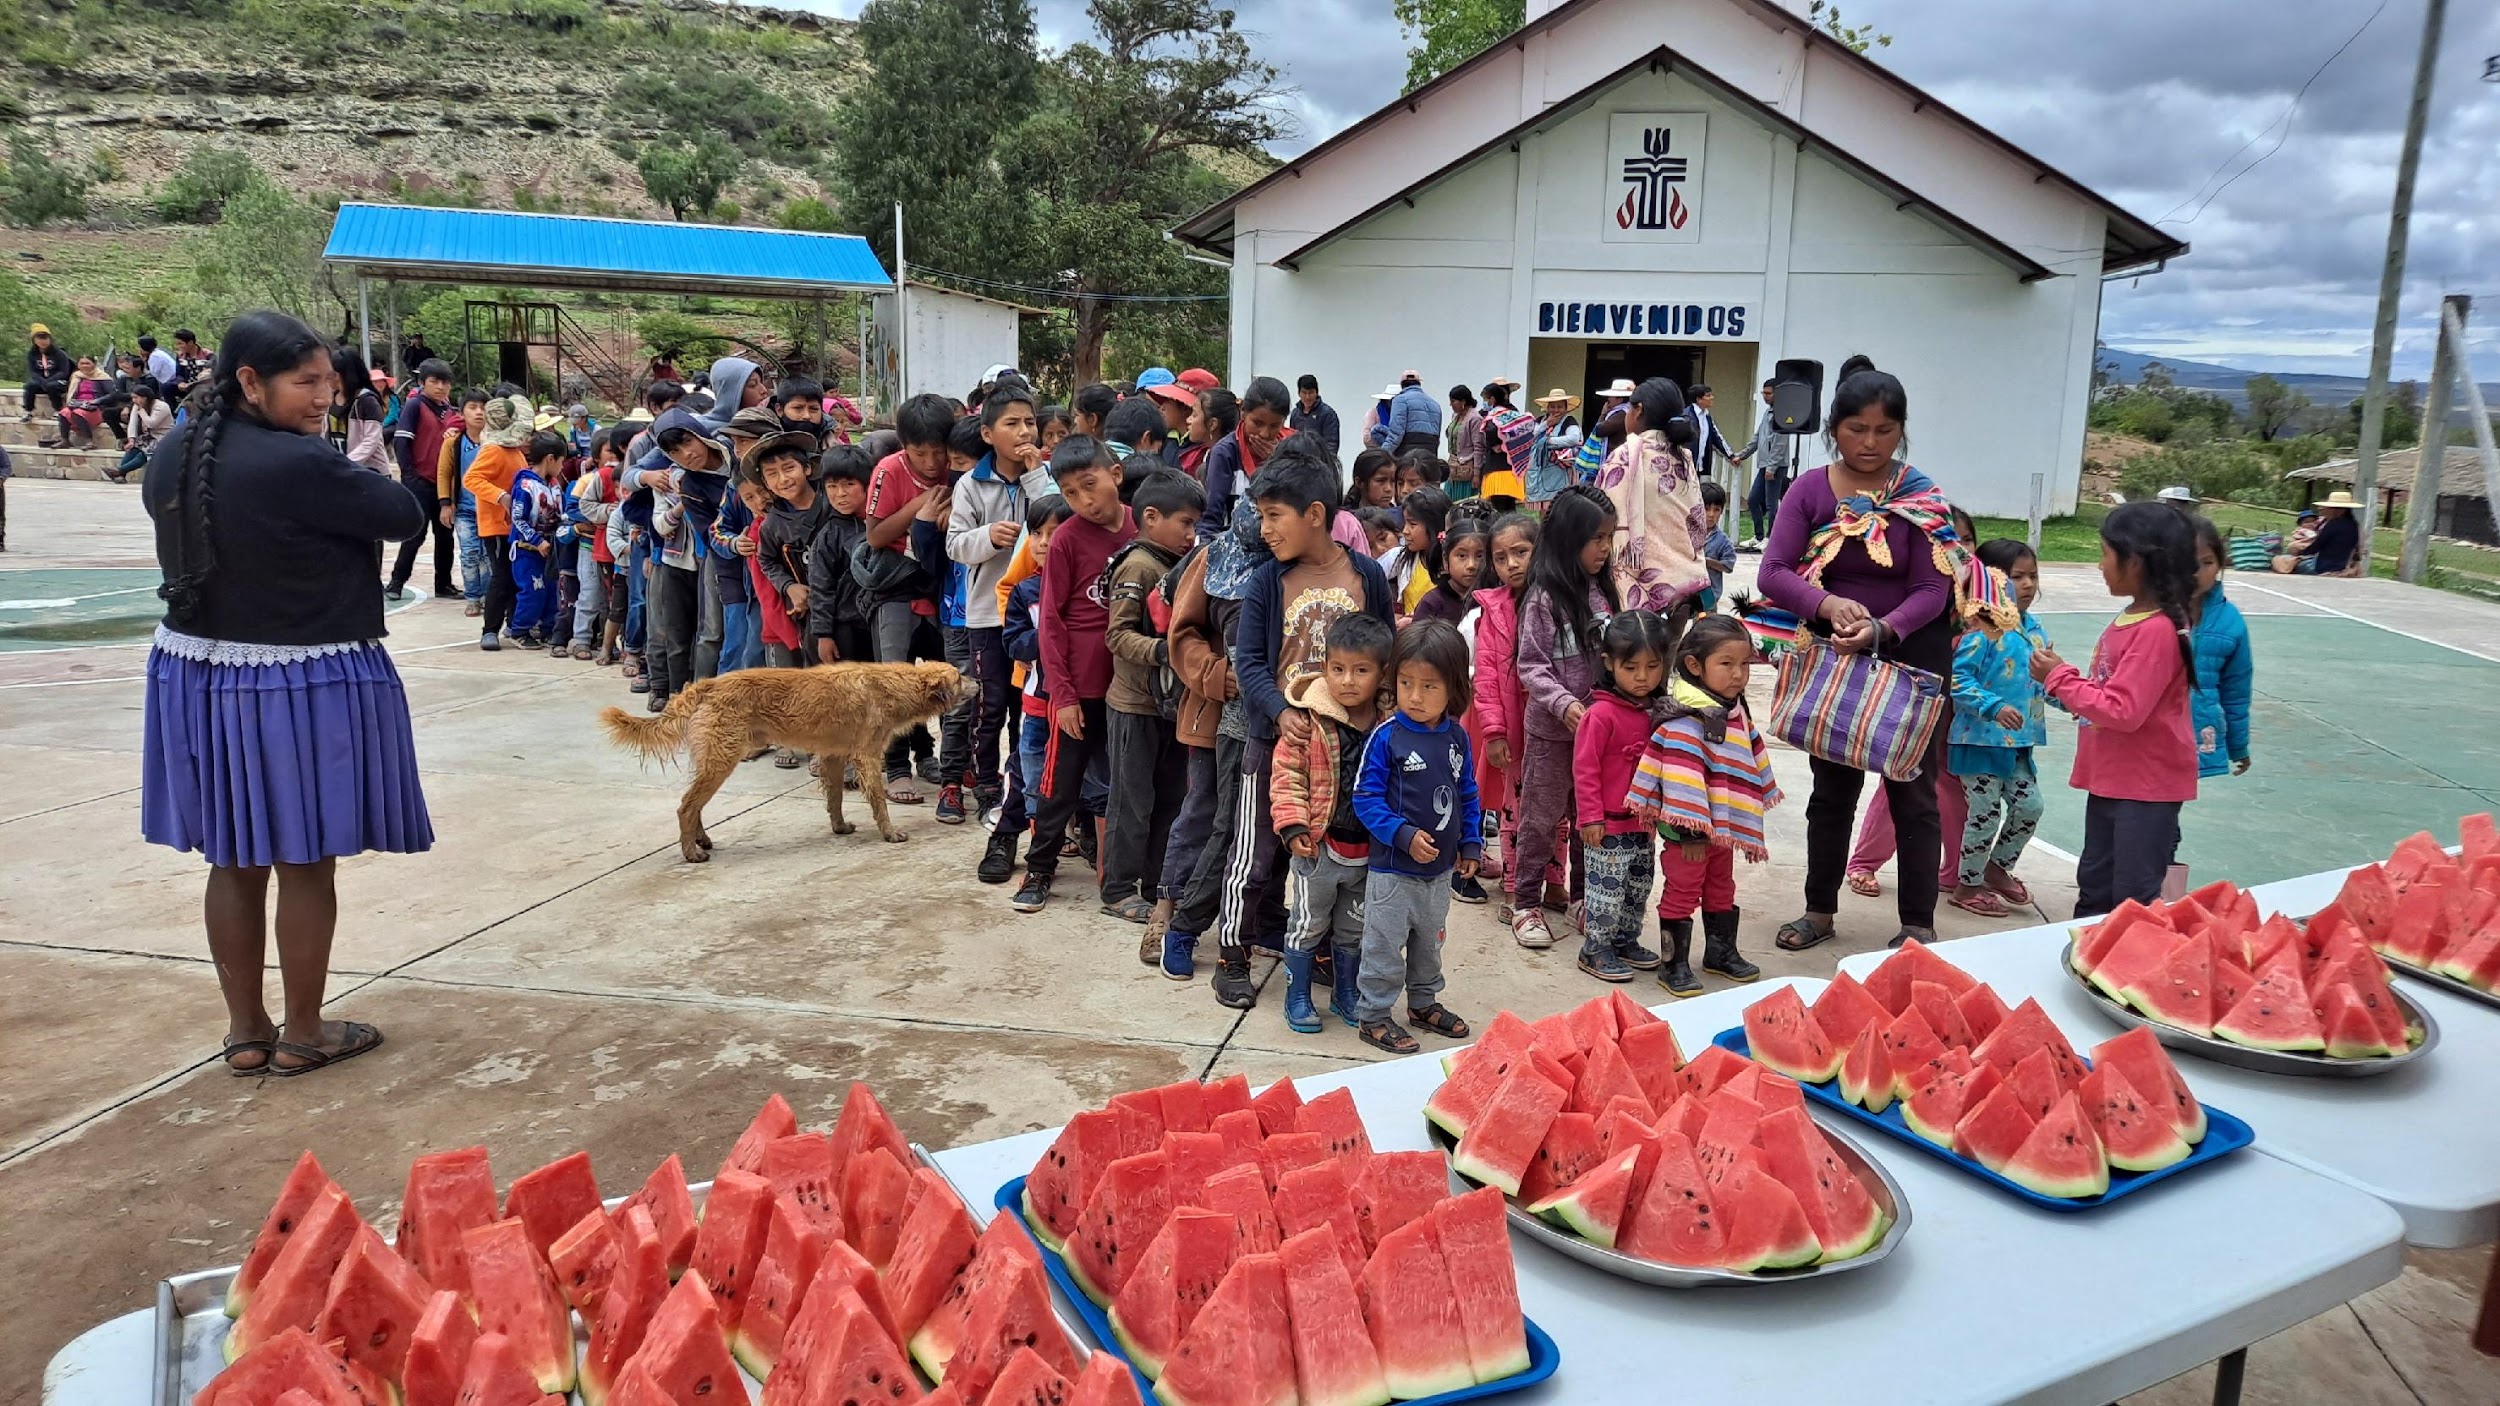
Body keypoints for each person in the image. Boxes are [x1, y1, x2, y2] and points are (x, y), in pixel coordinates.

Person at [141, 309, 429, 1076]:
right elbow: (403, 514)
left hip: (197, 675)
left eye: (330, 383)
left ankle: (246, 1032)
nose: (323, 398)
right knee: (304, 861)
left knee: (233, 859)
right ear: (250, 381)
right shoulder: (298, 463)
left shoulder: (174, 454)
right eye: (306, 382)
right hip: (295, 679)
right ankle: (306, 1032)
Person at [1759, 368, 2013, 952]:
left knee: (1913, 794)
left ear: (1901, 430)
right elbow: (1773, 571)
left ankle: (1917, 925)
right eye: (1856, 429)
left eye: (1884, 429)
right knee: (1832, 793)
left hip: (1912, 655)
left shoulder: (1920, 496)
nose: (1870, 442)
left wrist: (1881, 628)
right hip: (1834, 655)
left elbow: (1932, 589)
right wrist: (1826, 605)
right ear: (1833, 429)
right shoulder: (1810, 490)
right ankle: (1819, 911)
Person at [1207, 440, 1398, 1008]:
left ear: (1315, 514)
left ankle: (1322, 951)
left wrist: (1385, 712)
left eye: (1274, 516)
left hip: (1348, 750)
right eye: (1261, 516)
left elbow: (1385, 648)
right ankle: (1232, 954)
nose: (1264, 529)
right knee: (1254, 854)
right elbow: (1248, 661)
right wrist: (1280, 711)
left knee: (1334, 858)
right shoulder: (1268, 580)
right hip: (1277, 743)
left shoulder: (1367, 575)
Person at [2032, 502, 2201, 917]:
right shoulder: (2131, 618)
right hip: (2114, 778)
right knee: (2095, 883)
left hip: (2145, 786)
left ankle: (2126, 956)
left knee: (2132, 896)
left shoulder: (2157, 630)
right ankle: (2087, 951)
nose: (2100, 564)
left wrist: (2060, 678)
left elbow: (2124, 710)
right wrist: (2073, 688)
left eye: (2105, 553)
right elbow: (2111, 691)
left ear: (2136, 560)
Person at [1012, 435, 1136, 914]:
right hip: (1077, 692)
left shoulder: (1140, 529)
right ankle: (1039, 869)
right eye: (1070, 493)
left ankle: (1120, 875)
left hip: (1130, 689)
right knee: (1059, 785)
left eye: (1090, 485)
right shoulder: (1066, 539)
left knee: (1123, 784)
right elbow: (1050, 623)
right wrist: (1061, 696)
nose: (1084, 500)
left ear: (1115, 475)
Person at [1627, 614, 1782, 995]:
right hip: (1688, 831)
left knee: (1721, 885)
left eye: (1745, 664)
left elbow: (1741, 761)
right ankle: (1673, 963)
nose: (1738, 674)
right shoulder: (1686, 718)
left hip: (1720, 826)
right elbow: (1680, 782)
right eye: (1726, 664)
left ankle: (1720, 952)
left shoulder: (1730, 711)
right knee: (1683, 889)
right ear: (1695, 666)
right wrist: (1690, 831)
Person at [1350, 617, 1481, 1053]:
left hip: (1439, 873)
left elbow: (1467, 792)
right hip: (1393, 872)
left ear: (1453, 687)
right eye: (1406, 683)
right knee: (1384, 947)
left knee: (1430, 944)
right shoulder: (1386, 737)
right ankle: (1373, 1015)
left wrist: (1470, 843)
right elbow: (1365, 798)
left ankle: (1423, 1003)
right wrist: (1402, 835)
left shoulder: (1457, 738)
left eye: (1429, 686)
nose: (1415, 696)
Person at [1510, 485, 1620, 948]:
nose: (1605, 548)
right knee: (1540, 820)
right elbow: (1531, 665)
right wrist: (1564, 704)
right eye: (1596, 538)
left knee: (1589, 819)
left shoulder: (1604, 593)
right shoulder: (1542, 598)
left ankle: (1582, 898)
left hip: (1598, 735)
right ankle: (1525, 903)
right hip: (1553, 735)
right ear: (1568, 539)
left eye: (1610, 537)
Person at [1270, 612, 1391, 1031]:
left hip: (1369, 850)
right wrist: (1293, 826)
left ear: (1382, 673)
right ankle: (1297, 995)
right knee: (1307, 923)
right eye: (1338, 669)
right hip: (1319, 847)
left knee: (1354, 928)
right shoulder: (1308, 721)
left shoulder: (1390, 725)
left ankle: (1345, 993)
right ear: (1324, 668)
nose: (1348, 681)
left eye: (1361, 671)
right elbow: (1287, 775)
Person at [1102, 470, 1206, 922]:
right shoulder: (1139, 566)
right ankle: (1118, 889)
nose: (1191, 534)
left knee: (1169, 799)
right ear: (1149, 517)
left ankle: (1153, 883)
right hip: (1134, 706)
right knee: (1131, 801)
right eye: (1184, 522)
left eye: (1194, 524)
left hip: (1168, 707)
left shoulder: (1175, 564)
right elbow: (1118, 636)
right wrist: (1168, 651)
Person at [946, 384, 1046, 819]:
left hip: (1034, 614)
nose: (1024, 432)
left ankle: (1022, 783)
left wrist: (1035, 475)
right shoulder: (971, 484)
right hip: (988, 613)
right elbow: (954, 544)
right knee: (989, 705)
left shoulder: (1043, 476)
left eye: (1029, 423)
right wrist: (987, 536)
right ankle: (986, 783)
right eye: (1012, 423)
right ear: (988, 434)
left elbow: (1055, 518)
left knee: (1029, 704)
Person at [1946, 540, 2053, 918]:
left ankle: (1996, 869)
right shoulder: (1982, 628)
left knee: (2031, 806)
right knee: (1985, 814)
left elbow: (2042, 680)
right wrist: (1993, 706)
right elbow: (1956, 679)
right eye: (2017, 576)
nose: (2028, 584)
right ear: (1991, 580)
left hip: (2018, 744)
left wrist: (2069, 697)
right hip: (1978, 742)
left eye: (2033, 576)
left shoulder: (2035, 630)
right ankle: (1967, 886)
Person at [861, 395, 957, 799]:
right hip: (897, 588)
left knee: (943, 677)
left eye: (939, 451)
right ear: (904, 446)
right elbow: (875, 535)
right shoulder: (889, 470)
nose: (932, 462)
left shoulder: (958, 466)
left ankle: (938, 758)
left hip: (940, 585)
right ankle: (897, 765)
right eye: (921, 453)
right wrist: (918, 507)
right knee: (895, 679)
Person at [1573, 610, 1674, 983]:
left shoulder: (1657, 712)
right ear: (1609, 663)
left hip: (1643, 824)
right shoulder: (1600, 715)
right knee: (1606, 891)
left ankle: (1625, 940)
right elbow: (1585, 770)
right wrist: (1590, 818)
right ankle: (1595, 948)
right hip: (1607, 826)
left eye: (1652, 666)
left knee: (1638, 886)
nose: (1642, 677)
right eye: (1631, 668)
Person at [979, 493, 1075, 885]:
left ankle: (1074, 839)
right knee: (1025, 772)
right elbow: (1013, 623)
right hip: (1037, 692)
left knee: (1080, 775)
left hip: (1079, 697)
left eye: (1054, 533)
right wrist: (1046, 638)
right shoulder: (1027, 585)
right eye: (1037, 533)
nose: (1044, 542)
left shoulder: (1090, 574)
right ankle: (1006, 837)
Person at [1595, 377, 1708, 620]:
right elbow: (1698, 521)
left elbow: (1600, 513)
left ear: (1638, 411)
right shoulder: (1684, 457)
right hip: (1685, 581)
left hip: (1640, 582)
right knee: (1671, 644)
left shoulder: (1624, 457)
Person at [1470, 513, 1537, 921]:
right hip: (1512, 728)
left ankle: (1554, 882)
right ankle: (1514, 886)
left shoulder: (1555, 601)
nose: (1511, 564)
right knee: (1513, 809)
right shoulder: (1492, 611)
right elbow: (1487, 677)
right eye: (1500, 558)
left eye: (1521, 552)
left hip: (1550, 724)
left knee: (1554, 810)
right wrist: (1494, 731)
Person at [2187, 515, 2255, 783]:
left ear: (2220, 565)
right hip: (2147, 738)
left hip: (2195, 735)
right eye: (2187, 561)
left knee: (2168, 805)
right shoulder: (2150, 612)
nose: (2197, 572)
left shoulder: (2230, 622)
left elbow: (2236, 692)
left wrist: (2238, 746)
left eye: (2207, 562)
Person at [462, 394, 533, 651]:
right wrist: (500, 496)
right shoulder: (493, 449)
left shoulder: (513, 451)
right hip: (497, 525)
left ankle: (513, 625)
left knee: (514, 577)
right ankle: (489, 629)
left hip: (513, 525)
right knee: (502, 577)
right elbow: (471, 479)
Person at [387, 358, 459, 601]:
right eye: (434, 381)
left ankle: (444, 584)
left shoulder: (449, 410)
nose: (440, 387)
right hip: (420, 481)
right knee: (415, 534)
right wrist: (409, 476)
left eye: (445, 382)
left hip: (444, 484)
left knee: (445, 535)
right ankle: (396, 582)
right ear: (423, 382)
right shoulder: (415, 405)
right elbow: (401, 441)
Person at [805, 445, 875, 666]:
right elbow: (820, 587)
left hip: (877, 622)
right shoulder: (829, 535)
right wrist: (823, 634)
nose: (840, 494)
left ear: (868, 484)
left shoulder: (883, 523)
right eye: (832, 486)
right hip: (843, 626)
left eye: (849, 484)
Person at [1199, 376, 1290, 543]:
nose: (1264, 433)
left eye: (1274, 426)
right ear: (1243, 412)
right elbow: (1211, 517)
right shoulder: (1224, 453)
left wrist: (1277, 463)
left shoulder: (1290, 452)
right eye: (1257, 423)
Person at [506, 431, 567, 648]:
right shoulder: (525, 486)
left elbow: (561, 513)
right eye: (561, 461)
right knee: (533, 591)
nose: (562, 466)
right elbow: (518, 519)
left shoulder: (555, 486)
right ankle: (520, 630)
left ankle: (548, 629)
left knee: (552, 592)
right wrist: (536, 541)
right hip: (527, 551)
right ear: (550, 459)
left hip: (551, 551)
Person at [1736, 378, 1793, 547]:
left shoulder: (1782, 414)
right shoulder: (1767, 413)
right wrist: (1742, 455)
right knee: (1753, 500)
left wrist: (1772, 467)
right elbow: (1757, 438)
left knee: (1771, 503)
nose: (1765, 396)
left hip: (1775, 466)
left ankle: (1771, 538)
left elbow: (1780, 444)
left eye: (1769, 393)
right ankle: (1759, 536)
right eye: (1764, 393)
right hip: (1764, 465)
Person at [1412, 516, 1488, 627]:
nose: (1471, 565)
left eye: (1480, 556)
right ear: (1445, 560)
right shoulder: (1432, 604)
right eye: (1462, 556)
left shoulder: (1497, 600)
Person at [1386, 487, 1449, 615]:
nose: (1405, 531)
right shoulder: (1400, 557)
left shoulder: (1451, 564)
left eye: (1412, 524)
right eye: (1405, 523)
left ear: (1434, 525)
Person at [329, 348, 391, 475]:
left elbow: (371, 441)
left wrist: (346, 463)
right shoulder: (331, 398)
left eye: (331, 374)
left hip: (370, 472)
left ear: (341, 375)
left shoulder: (367, 400)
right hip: (341, 470)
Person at [2275, 490, 2363, 576]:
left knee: (2279, 560)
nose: (2325, 510)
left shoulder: (2333, 525)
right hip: (2342, 566)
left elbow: (2316, 546)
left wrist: (2300, 554)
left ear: (2339, 510)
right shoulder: (2353, 525)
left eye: (2328, 508)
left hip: (2322, 567)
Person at [1477, 379, 1533, 507]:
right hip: (1512, 467)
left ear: (1492, 399)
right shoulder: (1514, 413)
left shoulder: (1494, 415)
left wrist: (1494, 444)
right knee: (1509, 506)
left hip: (1496, 469)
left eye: (1485, 399)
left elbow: (1491, 430)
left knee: (1497, 507)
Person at [1525, 390, 1582, 508]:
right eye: (1552, 407)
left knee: (1559, 505)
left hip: (1559, 469)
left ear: (1566, 408)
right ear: (1547, 407)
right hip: (1540, 468)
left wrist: (1549, 441)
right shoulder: (1540, 420)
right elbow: (1529, 437)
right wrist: (1547, 424)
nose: (1556, 410)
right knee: (1543, 507)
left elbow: (1574, 439)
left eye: (1560, 407)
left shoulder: (1569, 421)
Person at [113, 378, 175, 483]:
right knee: (133, 448)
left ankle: (119, 471)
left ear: (145, 398)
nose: (134, 401)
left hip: (162, 437)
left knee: (144, 453)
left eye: (136, 398)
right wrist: (131, 439)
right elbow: (133, 423)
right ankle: (120, 474)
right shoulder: (137, 406)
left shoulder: (161, 406)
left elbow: (151, 423)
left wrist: (141, 411)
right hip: (148, 437)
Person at [1371, 371, 1443, 456]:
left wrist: (1383, 454)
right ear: (1419, 383)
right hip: (1430, 451)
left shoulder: (1400, 400)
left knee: (1377, 430)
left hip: (1408, 452)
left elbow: (1396, 433)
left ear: (1402, 385)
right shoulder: (1435, 404)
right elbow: (1437, 437)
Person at [1697, 482, 1737, 611]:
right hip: (1687, 591)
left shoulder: (1723, 541)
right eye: (1706, 509)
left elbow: (1728, 566)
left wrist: (1708, 562)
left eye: (1716, 510)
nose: (1711, 514)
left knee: (1707, 621)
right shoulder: (1687, 534)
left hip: (1710, 594)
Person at [1687, 383, 1737, 479]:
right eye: (1708, 395)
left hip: (1700, 467)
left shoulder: (1707, 417)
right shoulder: (1686, 417)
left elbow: (1717, 438)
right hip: (1687, 466)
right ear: (1698, 399)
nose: (1711, 398)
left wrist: (1731, 456)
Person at [22, 324, 70, 421]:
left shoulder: (59, 354)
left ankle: (58, 410)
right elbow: (33, 372)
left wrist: (49, 380)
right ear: (34, 340)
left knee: (52, 386)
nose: (43, 341)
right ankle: (28, 411)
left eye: (45, 338)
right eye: (39, 338)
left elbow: (64, 372)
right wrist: (42, 381)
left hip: (58, 382)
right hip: (42, 382)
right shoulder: (32, 354)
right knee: (30, 386)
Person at [1145, 381, 1197, 469]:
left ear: (1185, 408)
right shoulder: (1166, 440)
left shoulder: (1201, 449)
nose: (1162, 407)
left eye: (1169, 401)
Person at [1444, 384, 1482, 499]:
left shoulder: (1475, 419)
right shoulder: (1455, 416)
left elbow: (1478, 447)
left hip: (1467, 469)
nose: (1451, 405)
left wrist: (1476, 474)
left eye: (1453, 401)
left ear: (1463, 401)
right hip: (1453, 466)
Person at [1290, 374, 1340, 457]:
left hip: (1319, 461)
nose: (1307, 397)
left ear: (1317, 392)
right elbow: (1292, 440)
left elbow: (1331, 444)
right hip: (1299, 460)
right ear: (1299, 393)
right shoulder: (1295, 414)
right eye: (1304, 393)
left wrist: (1325, 462)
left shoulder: (1327, 414)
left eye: (1311, 393)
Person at [172, 330, 214, 397]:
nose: (178, 346)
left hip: (203, 385)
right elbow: (179, 374)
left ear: (190, 342)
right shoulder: (180, 356)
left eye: (180, 344)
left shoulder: (207, 355)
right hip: (187, 386)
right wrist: (180, 382)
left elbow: (213, 372)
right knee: (167, 387)